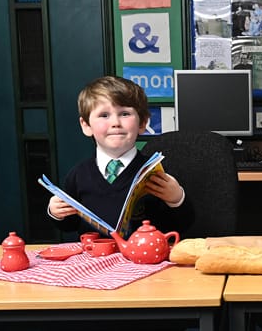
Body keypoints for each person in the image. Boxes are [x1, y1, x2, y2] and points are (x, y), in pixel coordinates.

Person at [47, 76, 192, 236]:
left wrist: (177, 199)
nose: (115, 122)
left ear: (143, 123)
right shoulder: (77, 175)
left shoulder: (158, 173)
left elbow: (181, 225)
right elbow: (70, 225)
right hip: (95, 258)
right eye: (104, 115)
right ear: (86, 126)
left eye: (124, 113)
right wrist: (56, 213)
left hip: (144, 258)